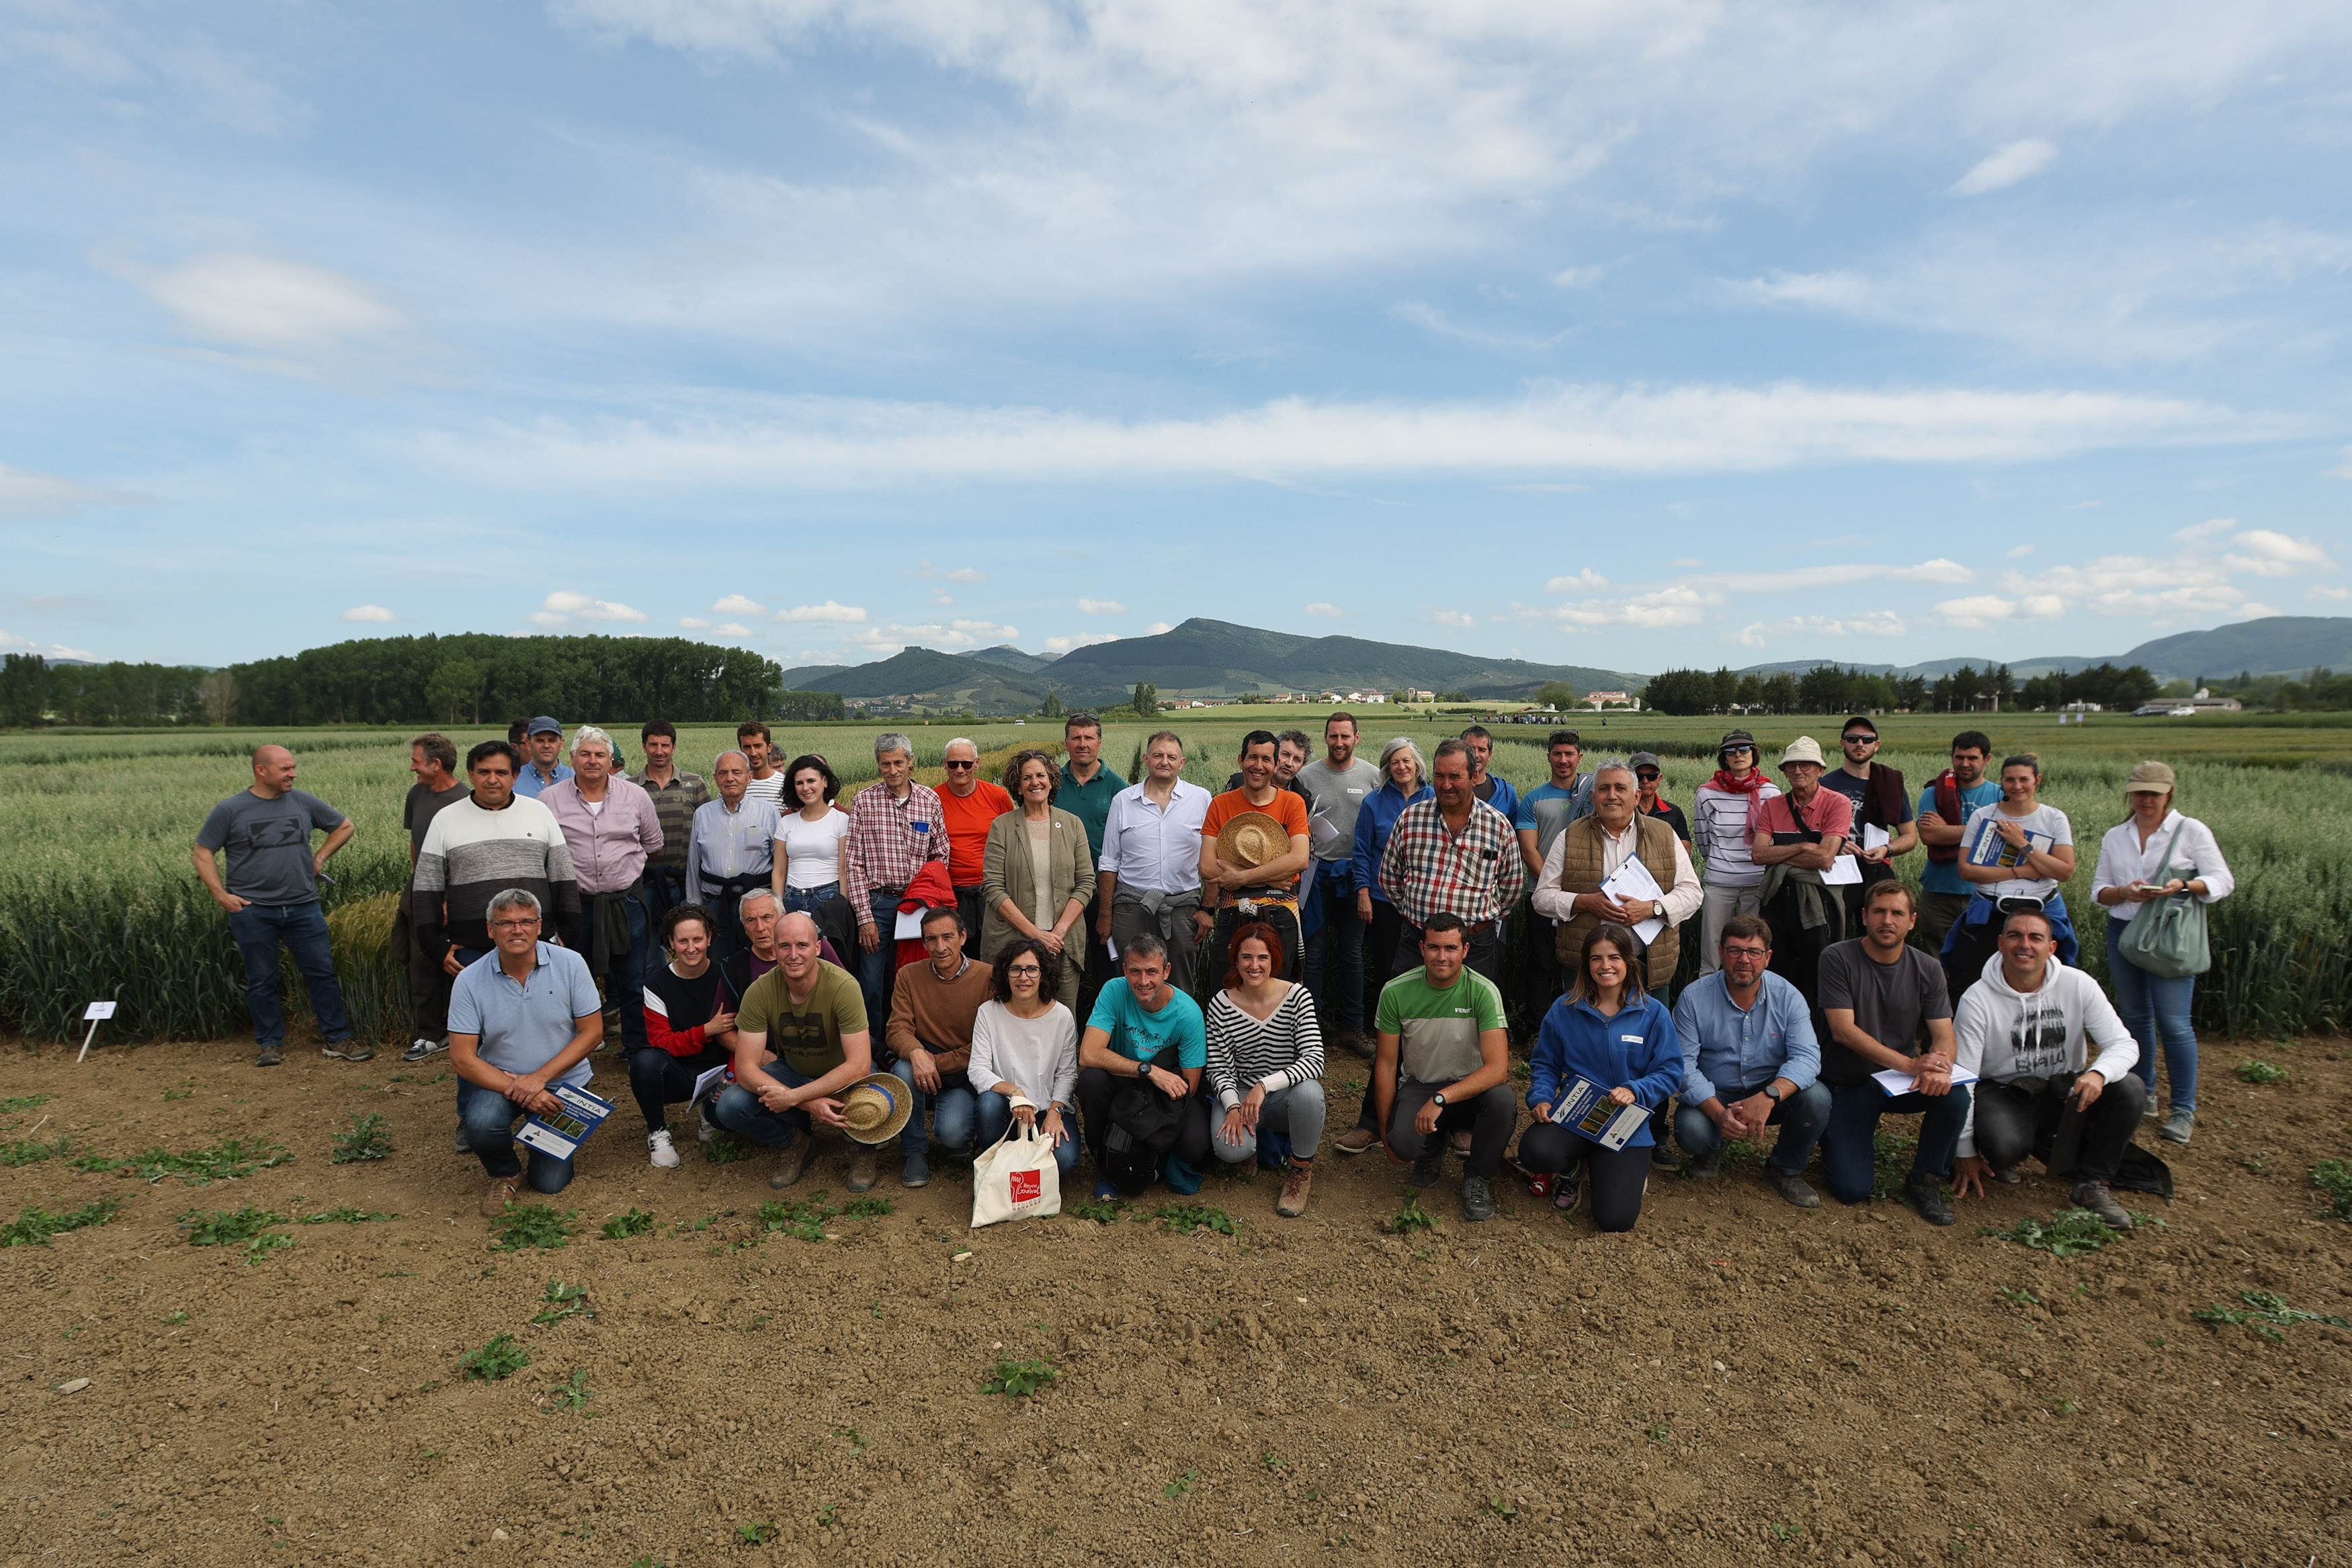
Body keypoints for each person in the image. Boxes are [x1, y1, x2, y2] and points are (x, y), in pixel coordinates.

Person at [1950, 908, 2147, 1229]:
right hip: (2005, 1093)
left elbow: (2124, 1045)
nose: (2024, 945)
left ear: (2051, 947)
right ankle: (2012, 1153)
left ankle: (2092, 1183)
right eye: (2015, 936)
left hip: (2066, 1090)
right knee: (2004, 1145)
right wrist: (1965, 1150)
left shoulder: (2078, 984)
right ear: (2000, 943)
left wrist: (2098, 1074)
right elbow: (1964, 1078)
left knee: (2130, 1088)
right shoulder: (1977, 1000)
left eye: (2035, 937)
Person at [2091, 760, 2233, 1145]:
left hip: (2170, 933)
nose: (2146, 799)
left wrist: (2184, 885)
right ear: (2130, 794)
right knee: (2136, 1018)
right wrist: (2125, 892)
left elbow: (2223, 880)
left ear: (2169, 793)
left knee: (2174, 1023)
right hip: (2124, 932)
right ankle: (2146, 1094)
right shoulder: (2116, 835)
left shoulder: (2191, 831)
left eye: (2154, 792)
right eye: (2139, 792)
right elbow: (2099, 891)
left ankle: (2183, 1109)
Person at [194, 743, 360, 1067]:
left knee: (322, 974)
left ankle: (338, 1039)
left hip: (303, 906)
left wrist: (319, 859)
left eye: (293, 767)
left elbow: (344, 826)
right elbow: (202, 853)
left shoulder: (302, 801)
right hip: (253, 909)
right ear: (261, 771)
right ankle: (270, 1044)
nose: (293, 774)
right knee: (262, 978)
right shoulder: (230, 810)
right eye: (285, 769)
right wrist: (221, 895)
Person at [1815, 882, 1966, 1225]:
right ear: (1865, 916)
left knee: (1954, 1095)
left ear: (1912, 921)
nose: (1888, 920)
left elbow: (1944, 1033)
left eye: (1897, 913)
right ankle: (1835, 1136)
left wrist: (1938, 1067)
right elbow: (1843, 1030)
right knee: (1851, 1189)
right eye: (1880, 912)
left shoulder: (1928, 968)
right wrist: (1913, 1064)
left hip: (1897, 1081)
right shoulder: (1837, 957)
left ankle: (1926, 1179)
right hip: (1848, 1082)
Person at [1517, 922, 1683, 1232]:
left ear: (1629, 962)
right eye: (1596, 958)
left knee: (1615, 1220)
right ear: (1586, 964)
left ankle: (1623, 1173)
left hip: (1626, 1121)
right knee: (1535, 1152)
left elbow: (1671, 1072)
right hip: (1576, 1114)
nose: (1605, 966)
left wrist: (1636, 1090)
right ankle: (1572, 1168)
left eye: (1614, 957)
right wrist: (1540, 1096)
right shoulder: (1564, 1009)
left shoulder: (1654, 1013)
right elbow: (1546, 1063)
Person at [448, 889, 603, 1214]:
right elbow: (462, 1059)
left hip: (565, 1084)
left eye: (525, 922)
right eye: (505, 923)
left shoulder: (571, 964)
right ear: (490, 929)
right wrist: (523, 1089)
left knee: (550, 1183)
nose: (516, 930)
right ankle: (506, 1172)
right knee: (480, 1123)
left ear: (539, 925)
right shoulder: (469, 980)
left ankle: (543, 1142)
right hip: (503, 1081)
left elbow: (592, 1033)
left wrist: (540, 1079)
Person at [710, 910, 880, 1192]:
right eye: (785, 946)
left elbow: (859, 1064)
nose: (793, 955)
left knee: (872, 1095)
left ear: (817, 948)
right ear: (774, 949)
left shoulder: (844, 986)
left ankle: (862, 1146)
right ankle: (794, 1140)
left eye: (802, 945)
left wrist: (793, 1097)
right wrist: (807, 1102)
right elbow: (746, 1069)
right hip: (795, 1071)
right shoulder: (760, 990)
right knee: (730, 1106)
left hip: (844, 1076)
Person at [1671, 915, 1829, 1207]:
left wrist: (1769, 1096)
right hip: (1717, 1092)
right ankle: (1713, 1146)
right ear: (1721, 954)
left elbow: (1807, 1058)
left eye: (1754, 952)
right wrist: (1719, 1114)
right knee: (1691, 1131)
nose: (1744, 960)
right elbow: (1683, 1065)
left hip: (1768, 1091)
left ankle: (1784, 1169)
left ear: (1767, 957)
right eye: (1734, 951)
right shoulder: (1693, 998)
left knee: (1817, 1098)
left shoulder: (1789, 997)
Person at [1371, 914, 1517, 1221]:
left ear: (1465, 951)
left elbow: (1498, 1070)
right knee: (1403, 1143)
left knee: (1502, 1099)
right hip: (1421, 1085)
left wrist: (1441, 1098)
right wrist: (1386, 1136)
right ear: (1422, 948)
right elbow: (1385, 1066)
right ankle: (1431, 1150)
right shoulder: (1395, 992)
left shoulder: (1484, 992)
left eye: (1451, 948)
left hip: (1470, 1089)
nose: (1442, 957)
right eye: (1434, 948)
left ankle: (1478, 1178)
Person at [413, 740, 581, 998]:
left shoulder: (539, 813)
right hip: (471, 951)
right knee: (482, 1030)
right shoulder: (445, 819)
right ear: (470, 775)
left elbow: (563, 878)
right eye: (484, 772)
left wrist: (566, 933)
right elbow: (426, 888)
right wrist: (435, 947)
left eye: (501, 773)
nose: (492, 780)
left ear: (515, 776)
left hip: (537, 946)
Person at [543, 726, 665, 1055]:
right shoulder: (548, 801)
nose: (592, 761)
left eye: (600, 755)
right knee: (571, 978)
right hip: (574, 907)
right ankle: (574, 1048)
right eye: (585, 754)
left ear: (611, 759)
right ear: (572, 758)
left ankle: (636, 1046)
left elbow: (653, 843)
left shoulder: (635, 796)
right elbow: (541, 853)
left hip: (625, 903)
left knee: (632, 979)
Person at [1530, 760, 1702, 992]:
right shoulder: (1569, 837)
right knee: (1584, 1027)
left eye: (1620, 788)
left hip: (1648, 968)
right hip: (1586, 971)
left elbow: (1692, 892)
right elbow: (1542, 898)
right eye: (1604, 789)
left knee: (1645, 1029)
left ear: (1637, 796)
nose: (1612, 796)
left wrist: (1654, 908)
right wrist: (1584, 903)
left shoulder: (1664, 834)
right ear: (1593, 797)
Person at [1375, 738, 1525, 987]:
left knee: (1473, 1019)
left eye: (1455, 776)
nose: (1446, 785)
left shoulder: (1497, 826)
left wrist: (1480, 917)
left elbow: (1512, 887)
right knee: (1410, 1016)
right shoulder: (1411, 819)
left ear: (1474, 776)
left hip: (1475, 946)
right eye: (1439, 776)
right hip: (1417, 943)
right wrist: (1416, 912)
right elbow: (1390, 877)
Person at [1075, 933, 1212, 1199]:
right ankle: (1107, 1162)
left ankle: (1149, 1158)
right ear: (1124, 970)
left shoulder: (1188, 1012)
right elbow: (1088, 1054)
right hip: (1128, 1079)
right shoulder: (1114, 990)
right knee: (1091, 1081)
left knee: (1196, 1145)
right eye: (1135, 971)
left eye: (1152, 971)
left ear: (1167, 971)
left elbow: (1190, 1087)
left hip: (1166, 1093)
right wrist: (1148, 1071)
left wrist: (1146, 1108)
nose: (1143, 981)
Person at [1205, 922, 1325, 1217]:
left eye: (1263, 957)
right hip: (1242, 1094)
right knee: (1230, 1149)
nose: (1254, 965)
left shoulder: (1297, 997)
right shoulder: (1221, 1003)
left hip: (1285, 1095)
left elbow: (1314, 1059)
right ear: (1235, 959)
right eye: (1247, 957)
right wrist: (1233, 1105)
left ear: (1275, 960)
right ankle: (1252, 1149)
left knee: (1310, 1093)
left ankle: (1300, 1169)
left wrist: (1265, 1085)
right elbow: (1218, 1067)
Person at [1947, 752, 2077, 1002]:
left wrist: (2022, 844)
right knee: (1968, 981)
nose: (2017, 786)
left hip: (2042, 911)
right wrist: (2020, 871)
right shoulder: (1983, 816)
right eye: (2010, 780)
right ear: (2002, 782)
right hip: (1990, 911)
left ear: (2037, 780)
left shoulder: (2054, 818)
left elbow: (2064, 870)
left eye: (2024, 779)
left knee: (2050, 986)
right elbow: (1967, 870)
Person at [1096, 730, 1214, 993]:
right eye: (1158, 755)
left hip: (1183, 908)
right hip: (1132, 908)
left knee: (1182, 981)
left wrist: (1208, 909)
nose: (1165, 761)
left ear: (1182, 763)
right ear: (1145, 759)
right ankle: (1133, 1034)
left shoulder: (1201, 799)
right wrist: (1106, 914)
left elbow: (1214, 857)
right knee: (1133, 981)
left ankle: (1180, 1034)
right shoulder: (1123, 801)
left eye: (1172, 757)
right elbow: (1109, 862)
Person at [843, 730, 948, 1028]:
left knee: (919, 976)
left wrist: (927, 899)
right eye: (886, 764)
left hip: (918, 905)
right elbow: (853, 864)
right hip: (878, 904)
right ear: (878, 765)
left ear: (910, 762)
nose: (893, 770)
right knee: (872, 981)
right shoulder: (864, 802)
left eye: (898, 763)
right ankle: (873, 1045)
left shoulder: (929, 799)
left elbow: (941, 855)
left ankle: (916, 1036)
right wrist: (865, 919)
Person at [980, 748, 1099, 1002]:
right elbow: (992, 887)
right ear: (1018, 787)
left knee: (1063, 1017)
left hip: (1062, 943)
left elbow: (1086, 882)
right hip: (1012, 941)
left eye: (1041, 775)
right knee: (1012, 1016)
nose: (1035, 782)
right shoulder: (1002, 826)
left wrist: (1057, 933)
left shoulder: (1072, 824)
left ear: (1052, 780)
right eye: (1026, 778)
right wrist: (1035, 933)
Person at [885, 905, 990, 1186]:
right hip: (920, 1069)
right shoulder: (909, 975)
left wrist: (934, 1064)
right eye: (931, 939)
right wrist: (917, 1053)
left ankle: (956, 1134)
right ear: (923, 942)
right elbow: (897, 1028)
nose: (940, 947)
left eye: (947, 937)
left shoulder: (987, 977)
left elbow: (987, 1045)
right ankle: (914, 1150)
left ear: (963, 936)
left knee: (953, 1134)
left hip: (961, 1076)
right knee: (904, 1070)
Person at [1296, 712, 1382, 1051]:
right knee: (1314, 954)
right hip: (1316, 876)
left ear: (1356, 738)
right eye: (1333, 736)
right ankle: (1311, 1033)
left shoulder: (1373, 775)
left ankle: (1352, 1027)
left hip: (1356, 876)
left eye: (1346, 736)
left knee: (1352, 954)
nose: (1340, 743)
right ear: (1326, 737)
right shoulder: (1307, 775)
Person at [1748, 736, 1854, 1005]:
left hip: (1819, 899)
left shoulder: (1838, 803)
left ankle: (1821, 1031)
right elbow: (1759, 854)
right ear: (1784, 771)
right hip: (1778, 898)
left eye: (1806, 765)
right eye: (1791, 766)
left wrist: (1781, 857)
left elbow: (1825, 857)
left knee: (1818, 968)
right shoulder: (1773, 805)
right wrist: (1805, 846)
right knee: (1777, 967)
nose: (1798, 771)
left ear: (1820, 770)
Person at [1200, 731, 1312, 984]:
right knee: (1227, 990)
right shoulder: (1220, 804)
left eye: (1266, 759)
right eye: (1253, 757)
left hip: (1280, 913)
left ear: (1275, 765)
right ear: (1241, 760)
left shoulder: (1293, 802)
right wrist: (1271, 878)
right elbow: (1207, 866)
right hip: (1233, 911)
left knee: (1277, 996)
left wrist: (1240, 877)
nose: (1258, 766)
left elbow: (1300, 860)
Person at [1347, 737, 1433, 1065]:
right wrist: (1364, 893)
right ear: (1387, 767)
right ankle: (1389, 1047)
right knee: (1388, 969)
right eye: (1395, 762)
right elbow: (1362, 852)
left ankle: (1421, 1043)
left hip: (1425, 899)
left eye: (1406, 761)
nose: (1401, 767)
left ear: (1417, 764)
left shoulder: (1434, 797)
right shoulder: (1374, 802)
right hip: (1384, 900)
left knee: (1426, 967)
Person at [634, 902, 739, 1168]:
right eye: (682, 941)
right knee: (644, 1062)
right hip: (679, 1071)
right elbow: (663, 1043)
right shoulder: (655, 984)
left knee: (726, 1122)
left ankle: (710, 1111)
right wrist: (706, 1030)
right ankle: (658, 1131)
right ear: (671, 942)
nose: (691, 948)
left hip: (721, 1072)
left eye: (698, 939)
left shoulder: (726, 974)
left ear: (710, 938)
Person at [968, 937, 1083, 1179]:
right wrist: (1014, 1093)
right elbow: (977, 1069)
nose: (1023, 977)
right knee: (988, 1104)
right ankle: (998, 1160)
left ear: (1043, 974)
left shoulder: (1062, 1017)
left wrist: (1056, 1110)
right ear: (1005, 974)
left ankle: (1016, 1163)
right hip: (1006, 1107)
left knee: (1065, 1161)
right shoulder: (988, 1012)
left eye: (1032, 969)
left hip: (1047, 1109)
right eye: (1015, 969)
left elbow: (1067, 1075)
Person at [1514, 729, 1596, 1018]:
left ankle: (1580, 1022)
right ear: (1548, 756)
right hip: (1541, 895)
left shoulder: (1594, 795)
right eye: (1557, 754)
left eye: (1569, 754)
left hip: (1586, 898)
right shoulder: (1533, 799)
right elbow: (1529, 850)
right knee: (1540, 961)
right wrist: (1553, 889)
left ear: (1580, 757)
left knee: (1582, 962)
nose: (1563, 760)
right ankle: (1538, 1027)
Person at [398, 732, 468, 1063]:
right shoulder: (417, 795)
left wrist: (448, 898)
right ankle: (430, 1035)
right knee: (422, 964)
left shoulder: (467, 800)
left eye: (416, 761)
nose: (412, 768)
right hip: (422, 893)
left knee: (461, 966)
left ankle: (466, 1034)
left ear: (436, 764)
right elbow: (417, 845)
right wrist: (423, 888)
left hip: (460, 897)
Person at [1692, 729, 1781, 975]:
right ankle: (1707, 995)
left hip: (1758, 882)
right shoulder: (1707, 793)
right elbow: (1703, 839)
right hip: (1720, 880)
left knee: (1752, 947)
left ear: (1754, 754)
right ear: (1724, 758)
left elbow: (1775, 838)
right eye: (1731, 751)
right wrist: (1722, 862)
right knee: (1712, 947)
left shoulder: (1771, 793)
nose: (1738, 755)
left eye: (1744, 750)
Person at [685, 751, 782, 962]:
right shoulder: (703, 814)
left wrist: (777, 906)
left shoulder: (768, 812)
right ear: (715, 778)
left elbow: (780, 865)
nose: (730, 778)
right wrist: (695, 907)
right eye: (723, 773)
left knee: (759, 963)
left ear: (749, 777)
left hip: (757, 907)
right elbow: (694, 864)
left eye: (736, 772)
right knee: (720, 964)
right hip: (715, 906)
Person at [1820, 715, 1916, 927]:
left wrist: (1886, 850)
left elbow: (1910, 836)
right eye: (1853, 739)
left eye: (1867, 739)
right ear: (1842, 743)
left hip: (1877, 870)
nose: (1860, 744)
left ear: (1877, 745)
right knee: (1832, 933)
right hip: (1837, 869)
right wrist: (1835, 845)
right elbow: (1808, 830)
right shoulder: (1824, 785)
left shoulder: (1890, 783)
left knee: (1880, 932)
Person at [1914, 731, 2003, 953]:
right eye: (1959, 757)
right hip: (1939, 893)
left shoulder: (2001, 795)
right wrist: (1984, 830)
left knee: (1983, 957)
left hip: (1985, 893)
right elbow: (1930, 836)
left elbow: (2002, 839)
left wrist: (1947, 830)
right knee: (1936, 960)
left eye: (1973, 758)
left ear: (1987, 760)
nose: (1965, 764)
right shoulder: (1933, 793)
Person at [1057, 712, 1128, 992]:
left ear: (1100, 743)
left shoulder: (1118, 788)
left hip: (1103, 890)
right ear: (1066, 743)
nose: (1082, 743)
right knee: (1060, 958)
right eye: (1076, 737)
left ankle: (1107, 1022)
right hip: (1061, 889)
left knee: (1107, 961)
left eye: (1089, 738)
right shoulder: (1051, 784)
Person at [934, 736, 1015, 941]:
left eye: (967, 763)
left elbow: (1013, 841)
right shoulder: (932, 799)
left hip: (992, 892)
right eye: (953, 764)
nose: (960, 769)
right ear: (945, 764)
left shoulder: (997, 796)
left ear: (977, 763)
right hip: (951, 894)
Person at [635, 721, 709, 931]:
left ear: (674, 747)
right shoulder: (630, 788)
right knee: (647, 943)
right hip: (644, 885)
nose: (659, 751)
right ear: (644, 746)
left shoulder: (694, 784)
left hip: (686, 883)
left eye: (665, 745)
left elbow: (709, 828)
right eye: (653, 745)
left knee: (690, 941)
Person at [774, 753, 851, 919]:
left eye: (811, 781)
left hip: (828, 898)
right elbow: (779, 871)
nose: (805, 788)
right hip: (791, 898)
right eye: (799, 783)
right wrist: (778, 907)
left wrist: (843, 906)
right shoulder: (786, 822)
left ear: (824, 782)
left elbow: (844, 870)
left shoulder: (841, 820)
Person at [1458, 724, 1519, 824]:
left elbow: (1514, 833)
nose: (1476, 755)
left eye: (1482, 750)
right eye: (1471, 749)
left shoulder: (1506, 792)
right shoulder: (1446, 788)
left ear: (1490, 755)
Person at [1630, 752, 1691, 849]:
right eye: (1639, 776)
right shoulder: (1623, 811)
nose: (1645, 781)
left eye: (1652, 776)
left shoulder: (1674, 812)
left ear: (1660, 779)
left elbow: (1686, 847)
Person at [513, 716, 573, 799]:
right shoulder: (513, 779)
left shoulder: (575, 779)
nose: (546, 746)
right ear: (529, 744)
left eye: (552, 741)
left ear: (561, 744)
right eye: (540, 741)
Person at [737, 721, 787, 808]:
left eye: (758, 746)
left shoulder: (786, 785)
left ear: (769, 747)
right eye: (747, 747)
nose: (753, 753)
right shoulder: (733, 786)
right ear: (741, 749)